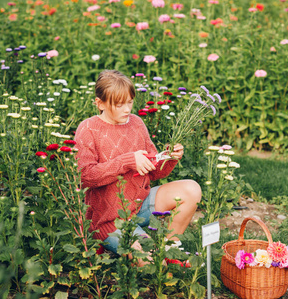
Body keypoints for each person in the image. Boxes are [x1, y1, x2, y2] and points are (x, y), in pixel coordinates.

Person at [74, 70, 201, 262]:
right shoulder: (88, 128)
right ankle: (140, 252)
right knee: (148, 263)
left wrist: (169, 157)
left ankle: (168, 250)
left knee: (191, 189)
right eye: (119, 104)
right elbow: (85, 176)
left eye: (130, 102)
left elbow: (154, 172)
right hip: (109, 220)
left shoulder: (136, 123)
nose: (127, 109)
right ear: (100, 104)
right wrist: (127, 161)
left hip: (140, 206)